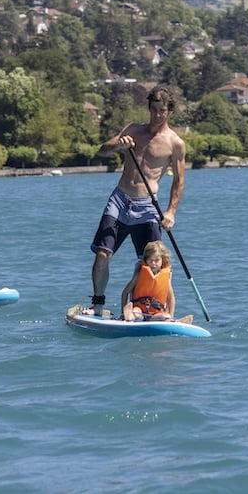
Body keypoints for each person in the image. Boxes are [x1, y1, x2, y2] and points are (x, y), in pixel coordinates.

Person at [88, 84, 186, 317]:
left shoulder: (175, 143)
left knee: (155, 264)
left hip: (147, 207)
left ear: (169, 110)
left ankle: (150, 308)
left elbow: (179, 181)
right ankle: (98, 304)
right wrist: (117, 146)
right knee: (103, 254)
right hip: (120, 201)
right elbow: (102, 151)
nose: (157, 115)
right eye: (154, 109)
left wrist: (171, 212)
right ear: (149, 108)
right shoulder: (133, 129)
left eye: (162, 110)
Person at [120, 240, 192, 323]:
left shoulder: (165, 277)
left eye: (157, 260)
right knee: (135, 311)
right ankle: (128, 316)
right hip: (139, 309)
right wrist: (122, 312)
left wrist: (171, 315)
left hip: (156, 313)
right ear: (146, 260)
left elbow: (171, 299)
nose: (153, 263)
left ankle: (173, 321)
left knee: (166, 316)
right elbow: (125, 292)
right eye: (150, 260)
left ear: (163, 260)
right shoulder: (140, 274)